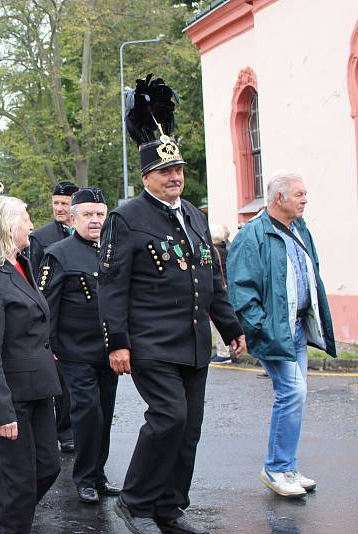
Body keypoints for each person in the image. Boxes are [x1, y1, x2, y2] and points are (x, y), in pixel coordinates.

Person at [99, 75, 246, 534]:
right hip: (151, 344)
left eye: (179, 170)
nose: (175, 177)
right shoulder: (126, 218)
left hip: (194, 343)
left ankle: (169, 505)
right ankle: (136, 500)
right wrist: (117, 343)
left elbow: (211, 276)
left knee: (189, 430)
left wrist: (230, 325)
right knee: (169, 418)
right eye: (165, 172)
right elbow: (112, 285)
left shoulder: (196, 215)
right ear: (147, 176)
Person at [227, 172, 336, 498]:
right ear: (279, 198)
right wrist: (260, 327)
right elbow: (242, 289)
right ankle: (276, 468)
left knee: (295, 396)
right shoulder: (252, 236)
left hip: (297, 328)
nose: (305, 199)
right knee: (292, 393)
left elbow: (309, 269)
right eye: (299, 194)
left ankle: (287, 466)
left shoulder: (299, 228)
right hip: (274, 332)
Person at [0, 195, 61, 534]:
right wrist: (3, 412)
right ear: (7, 225)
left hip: (35, 388)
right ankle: (6, 525)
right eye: (25, 218)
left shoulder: (21, 264)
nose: (32, 225)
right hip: (7, 396)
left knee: (48, 467)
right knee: (20, 482)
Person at [38, 188, 120, 505]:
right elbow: (46, 306)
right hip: (73, 351)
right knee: (87, 414)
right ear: (73, 218)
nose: (95, 220)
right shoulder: (59, 254)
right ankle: (84, 478)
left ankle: (98, 474)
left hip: (109, 351)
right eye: (88, 214)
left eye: (100, 214)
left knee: (105, 413)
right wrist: (48, 347)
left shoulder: (114, 251)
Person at [29, 180, 79, 453]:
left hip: (81, 319)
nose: (60, 208)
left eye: (65, 203)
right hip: (53, 317)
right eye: (56, 203)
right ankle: (63, 429)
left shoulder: (89, 233)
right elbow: (36, 281)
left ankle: (77, 425)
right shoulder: (42, 238)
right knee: (60, 380)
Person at [209, 224, 235, 364]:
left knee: (217, 322)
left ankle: (223, 352)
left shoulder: (213, 251)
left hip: (220, 289)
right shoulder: (227, 249)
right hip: (229, 288)